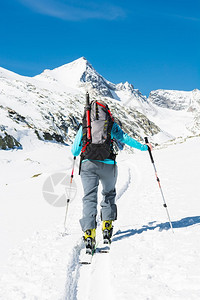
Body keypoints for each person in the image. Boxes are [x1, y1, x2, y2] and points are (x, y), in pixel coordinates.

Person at [71, 100, 152, 253]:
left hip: (88, 165)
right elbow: (125, 138)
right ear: (105, 112)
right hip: (108, 164)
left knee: (89, 197)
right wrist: (143, 147)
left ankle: (89, 234)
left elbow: (75, 151)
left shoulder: (85, 125)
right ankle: (107, 228)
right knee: (108, 193)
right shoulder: (110, 124)